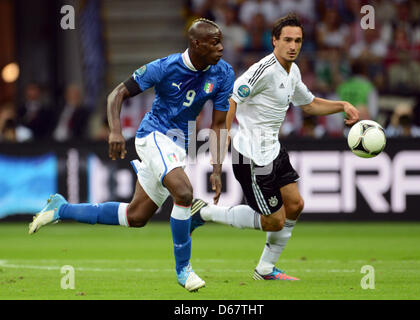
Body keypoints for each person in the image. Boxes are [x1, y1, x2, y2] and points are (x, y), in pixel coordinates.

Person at [28, 18, 235, 292]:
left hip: (177, 147)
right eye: (215, 42)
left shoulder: (223, 73)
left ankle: (60, 208)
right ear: (197, 44)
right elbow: (117, 94)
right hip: (153, 136)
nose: (222, 47)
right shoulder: (164, 67)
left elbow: (219, 125)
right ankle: (184, 270)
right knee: (184, 193)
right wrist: (115, 131)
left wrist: (218, 168)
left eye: (221, 41)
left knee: (136, 217)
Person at [190, 13, 359, 281]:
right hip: (252, 157)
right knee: (273, 220)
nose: (293, 46)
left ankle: (265, 269)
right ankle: (206, 213)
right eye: (288, 40)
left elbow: (309, 104)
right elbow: (231, 100)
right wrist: (223, 145)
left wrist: (342, 106)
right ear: (274, 41)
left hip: (273, 150)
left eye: (298, 41)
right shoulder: (263, 71)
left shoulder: (293, 71)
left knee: (295, 205)